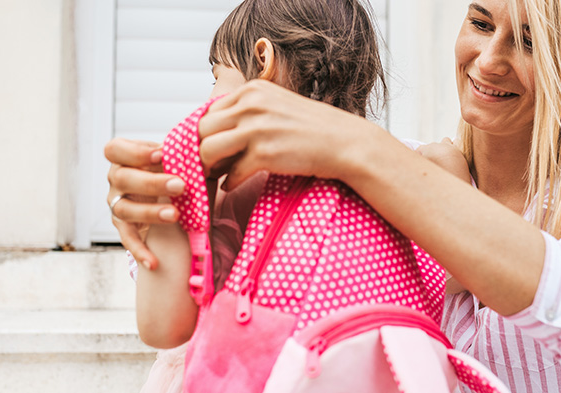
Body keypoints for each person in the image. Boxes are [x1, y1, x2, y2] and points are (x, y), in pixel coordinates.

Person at [107, 0, 561, 391]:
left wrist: (359, 149)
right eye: (481, 24)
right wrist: (163, 204)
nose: (488, 60)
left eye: (529, 42)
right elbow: (206, 288)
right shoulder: (373, 165)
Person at [120, 0, 469, 391]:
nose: (211, 95)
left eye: (217, 76)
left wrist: (168, 205)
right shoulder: (398, 175)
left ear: (263, 59)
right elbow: (459, 275)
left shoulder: (238, 179)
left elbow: (162, 327)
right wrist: (450, 172)